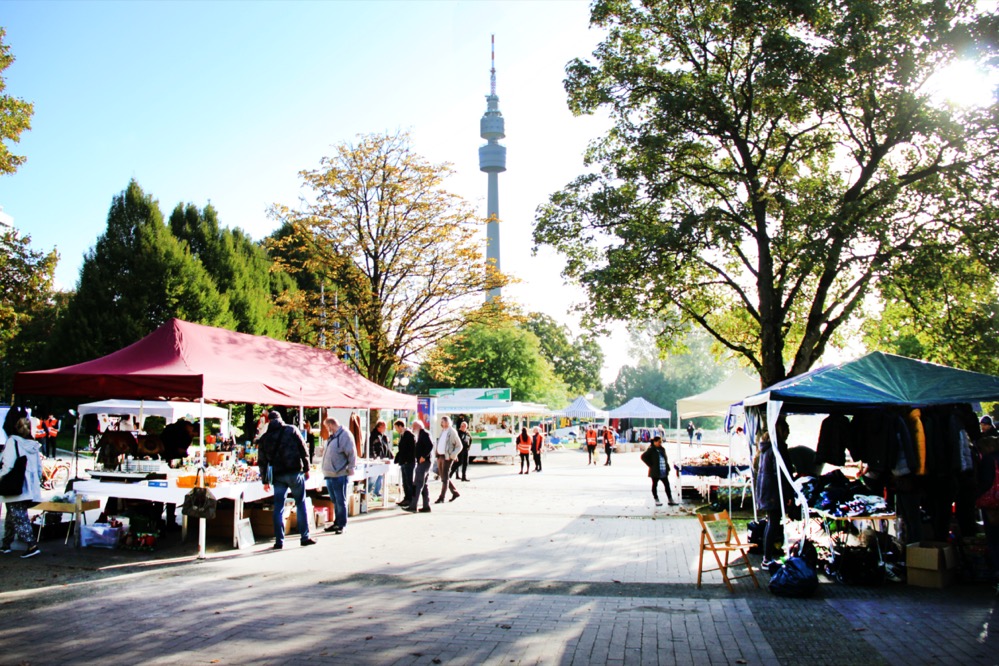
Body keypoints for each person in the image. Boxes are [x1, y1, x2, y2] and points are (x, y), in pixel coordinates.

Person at [259, 411, 316, 549]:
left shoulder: (265, 438)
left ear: (268, 421)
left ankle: (279, 541)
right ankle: (304, 537)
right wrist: (307, 468)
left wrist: (265, 480)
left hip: (278, 475)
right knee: (301, 503)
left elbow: (262, 461)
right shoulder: (291, 430)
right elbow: (304, 450)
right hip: (295, 472)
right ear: (280, 419)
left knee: (278, 507)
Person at [0, 418, 43, 558]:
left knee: (18, 515)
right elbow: (38, 468)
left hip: (15, 485)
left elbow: (8, 464)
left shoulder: (13, 442)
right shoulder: (33, 444)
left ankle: (31, 545)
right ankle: (6, 543)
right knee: (12, 514)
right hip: (29, 484)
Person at [755, 418, 794, 567]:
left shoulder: (766, 448)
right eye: (787, 430)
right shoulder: (778, 449)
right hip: (774, 492)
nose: (788, 433)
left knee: (771, 522)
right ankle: (767, 558)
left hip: (766, 490)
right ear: (781, 431)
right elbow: (782, 474)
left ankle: (767, 557)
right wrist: (788, 494)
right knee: (773, 523)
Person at [321, 416, 356, 535]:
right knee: (335, 500)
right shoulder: (334, 436)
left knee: (340, 500)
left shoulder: (344, 435)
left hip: (339, 473)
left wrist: (351, 467)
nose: (327, 429)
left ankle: (342, 524)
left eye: (327, 427)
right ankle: (337, 522)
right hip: (330, 473)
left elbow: (351, 452)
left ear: (331, 425)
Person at [976, 435, 999, 591]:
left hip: (993, 503)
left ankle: (996, 571)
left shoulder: (988, 460)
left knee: (994, 538)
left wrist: (977, 496)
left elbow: (985, 482)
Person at [403, 419, 434, 513]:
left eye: (414, 427)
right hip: (424, 462)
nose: (412, 429)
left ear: (418, 427)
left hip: (424, 462)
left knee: (417, 484)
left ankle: (413, 505)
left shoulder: (424, 434)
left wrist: (424, 456)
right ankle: (426, 506)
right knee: (423, 485)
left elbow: (430, 445)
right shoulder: (421, 434)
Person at [641, 435, 677, 506]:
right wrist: (651, 464)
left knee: (667, 485)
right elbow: (643, 457)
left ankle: (670, 499)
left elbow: (665, 459)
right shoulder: (651, 449)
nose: (660, 443)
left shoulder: (662, 449)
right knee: (655, 485)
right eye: (659, 442)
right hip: (655, 471)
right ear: (654, 442)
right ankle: (656, 499)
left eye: (661, 442)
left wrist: (667, 467)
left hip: (663, 470)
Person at [433, 416, 462, 504]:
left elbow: (459, 446)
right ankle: (455, 492)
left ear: (448, 422)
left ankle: (442, 497)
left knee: (445, 478)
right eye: (441, 422)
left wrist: (452, 455)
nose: (442, 423)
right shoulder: (443, 431)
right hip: (440, 456)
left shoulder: (452, 432)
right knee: (443, 477)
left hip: (447, 457)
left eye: (444, 421)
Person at [393, 419, 416, 506]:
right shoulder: (402, 435)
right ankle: (406, 497)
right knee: (405, 481)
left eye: (396, 428)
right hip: (403, 461)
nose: (396, 430)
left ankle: (410, 499)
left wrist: (406, 459)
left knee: (408, 481)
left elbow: (411, 449)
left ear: (400, 426)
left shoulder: (409, 435)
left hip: (408, 462)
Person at [367, 419, 390, 499]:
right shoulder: (374, 436)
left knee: (380, 476)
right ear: (379, 427)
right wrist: (374, 456)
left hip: (381, 459)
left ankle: (376, 492)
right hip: (376, 459)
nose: (385, 428)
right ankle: (368, 491)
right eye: (384, 426)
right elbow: (371, 447)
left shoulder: (383, 436)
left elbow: (385, 447)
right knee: (374, 476)